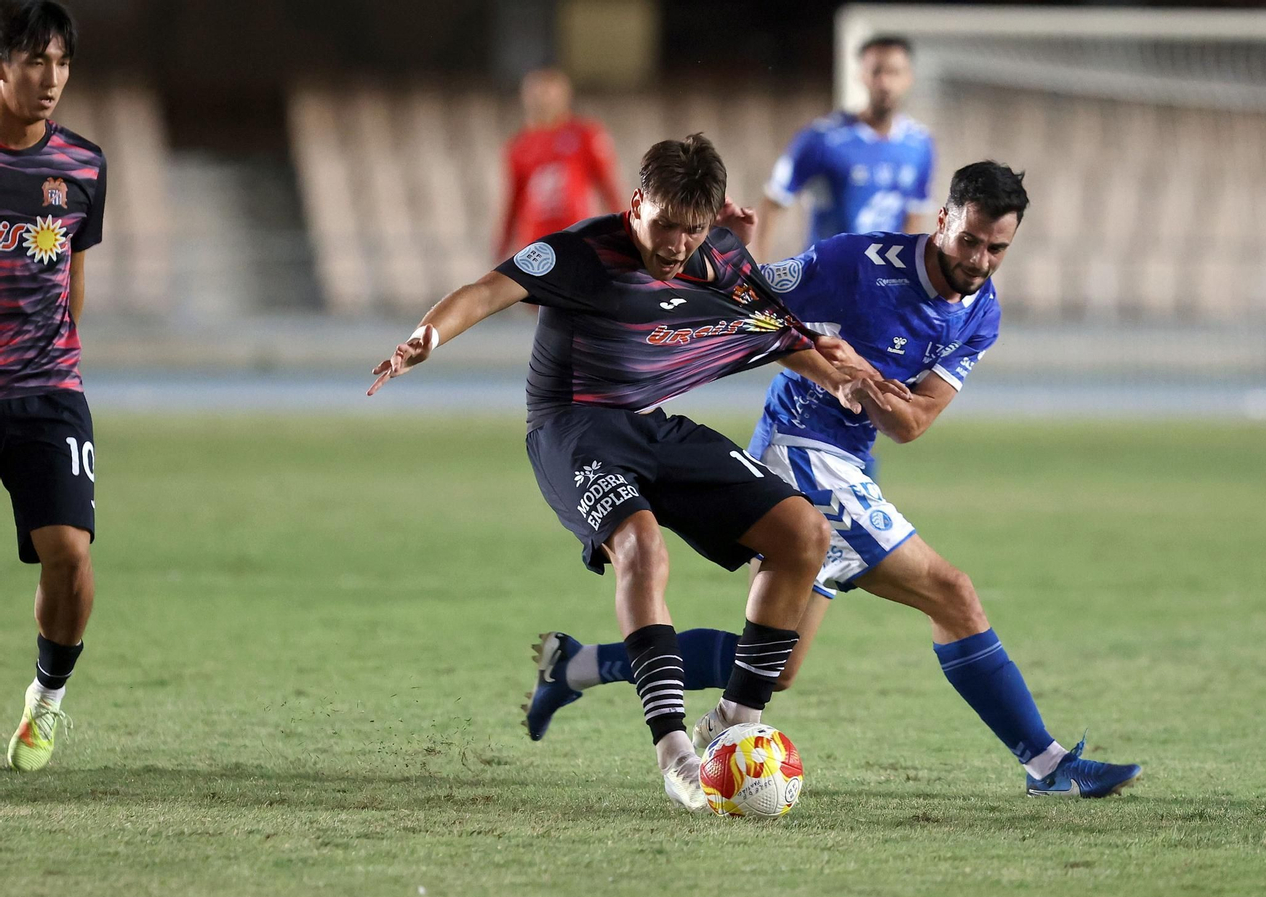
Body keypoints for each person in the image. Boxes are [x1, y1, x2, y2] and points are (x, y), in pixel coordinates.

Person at [525, 162, 1143, 799]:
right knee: (952, 593)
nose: (980, 259)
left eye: (997, 249)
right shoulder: (854, 263)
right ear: (943, 221)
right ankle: (1046, 764)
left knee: (778, 665)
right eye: (970, 241)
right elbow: (746, 296)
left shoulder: (980, 313)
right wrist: (744, 252)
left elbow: (912, 423)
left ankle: (577, 665)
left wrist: (865, 376)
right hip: (802, 448)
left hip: (852, 459)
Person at [369, 133, 907, 810]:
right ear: (634, 205)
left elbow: (766, 331)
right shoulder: (583, 253)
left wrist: (838, 381)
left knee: (804, 533)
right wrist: (428, 336)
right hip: (572, 427)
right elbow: (486, 291)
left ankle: (735, 723)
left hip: (651, 424)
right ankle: (675, 752)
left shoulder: (719, 258)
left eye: (693, 229)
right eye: (665, 225)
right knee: (642, 548)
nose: (678, 244)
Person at [1, 0, 105, 773]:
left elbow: (73, 279)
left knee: (69, 553)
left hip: (46, 387)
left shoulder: (84, 167)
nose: (51, 78)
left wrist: (64, 356)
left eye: (62, 62)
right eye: (36, 59)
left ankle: (45, 706)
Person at [751, 35, 935, 262]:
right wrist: (757, 275)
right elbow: (772, 203)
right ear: (861, 75)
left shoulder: (919, 144)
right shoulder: (821, 138)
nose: (885, 83)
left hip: (882, 284)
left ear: (908, 78)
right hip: (826, 281)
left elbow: (914, 216)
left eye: (894, 72)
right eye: (877, 72)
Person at [495, 68, 623, 260]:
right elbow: (513, 201)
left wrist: (623, 233)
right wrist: (502, 246)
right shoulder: (519, 145)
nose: (542, 100)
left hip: (576, 236)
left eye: (548, 93)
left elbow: (608, 187)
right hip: (535, 243)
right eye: (536, 94)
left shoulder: (586, 134)